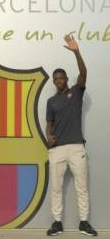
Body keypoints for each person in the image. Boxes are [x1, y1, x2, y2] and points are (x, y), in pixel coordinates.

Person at [46, 35, 98, 236]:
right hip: (57, 149)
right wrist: (48, 137)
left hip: (76, 148)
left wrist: (76, 51)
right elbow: (49, 124)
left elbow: (84, 73)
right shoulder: (51, 101)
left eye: (62, 78)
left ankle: (84, 222)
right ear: (54, 81)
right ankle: (57, 222)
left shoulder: (76, 92)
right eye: (56, 79)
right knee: (56, 188)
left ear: (67, 79)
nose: (59, 81)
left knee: (81, 188)